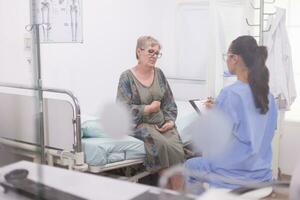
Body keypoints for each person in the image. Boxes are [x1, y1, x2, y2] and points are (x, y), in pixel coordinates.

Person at [185, 35, 277, 189]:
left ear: (235, 58)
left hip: (231, 176)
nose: (226, 61)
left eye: (226, 56)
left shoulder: (230, 94)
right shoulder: (268, 96)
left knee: (189, 166)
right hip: (262, 174)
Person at [116, 36, 185, 187]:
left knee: (176, 150)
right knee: (160, 146)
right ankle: (167, 192)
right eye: (151, 52)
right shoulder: (126, 77)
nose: (154, 56)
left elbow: (170, 103)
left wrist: (169, 121)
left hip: (162, 124)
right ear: (139, 52)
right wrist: (147, 109)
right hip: (140, 125)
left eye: (157, 53)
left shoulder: (159, 74)